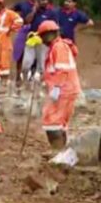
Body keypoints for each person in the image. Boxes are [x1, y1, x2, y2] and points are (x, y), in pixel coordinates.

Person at [38, 20, 80, 151]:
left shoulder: (58, 47)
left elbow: (62, 69)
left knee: (51, 121)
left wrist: (56, 87)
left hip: (63, 90)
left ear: (52, 34)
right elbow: (55, 69)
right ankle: (62, 152)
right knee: (60, 122)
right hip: (67, 89)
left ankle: (58, 152)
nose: (42, 39)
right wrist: (42, 77)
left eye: (43, 35)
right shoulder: (59, 46)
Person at [0, 0, 23, 92]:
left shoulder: (9, 13)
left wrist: (11, 29)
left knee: (4, 64)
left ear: (0, 4)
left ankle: (4, 84)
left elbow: (19, 21)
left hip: (4, 44)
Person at [21, 0, 59, 81]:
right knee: (26, 65)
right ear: (37, 2)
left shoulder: (51, 12)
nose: (44, 2)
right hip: (32, 40)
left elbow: (55, 27)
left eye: (46, 0)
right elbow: (26, 21)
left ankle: (40, 85)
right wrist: (34, 10)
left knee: (42, 66)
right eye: (42, 0)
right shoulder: (33, 11)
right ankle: (26, 82)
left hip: (44, 42)